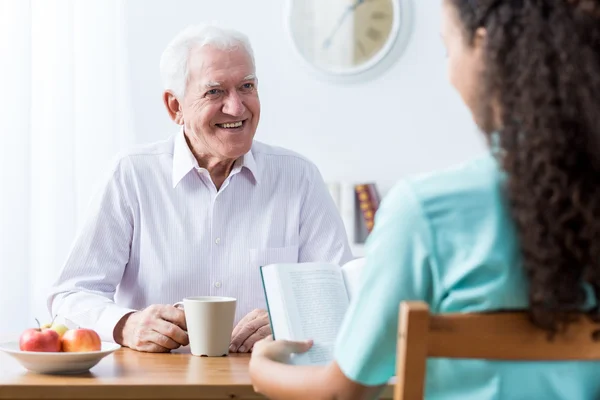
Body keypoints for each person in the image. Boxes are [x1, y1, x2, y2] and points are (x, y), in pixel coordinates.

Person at [248, 0, 600, 398]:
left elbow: (343, 392)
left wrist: (263, 369)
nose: (449, 73)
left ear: (484, 52)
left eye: (449, 50)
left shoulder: (426, 212)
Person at [47, 24, 353, 354]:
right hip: (153, 384)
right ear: (175, 107)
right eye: (215, 92)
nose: (237, 108)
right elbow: (70, 295)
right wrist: (125, 324)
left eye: (247, 86)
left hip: (266, 382)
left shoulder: (298, 176)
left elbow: (343, 293)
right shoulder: (132, 174)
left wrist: (289, 318)